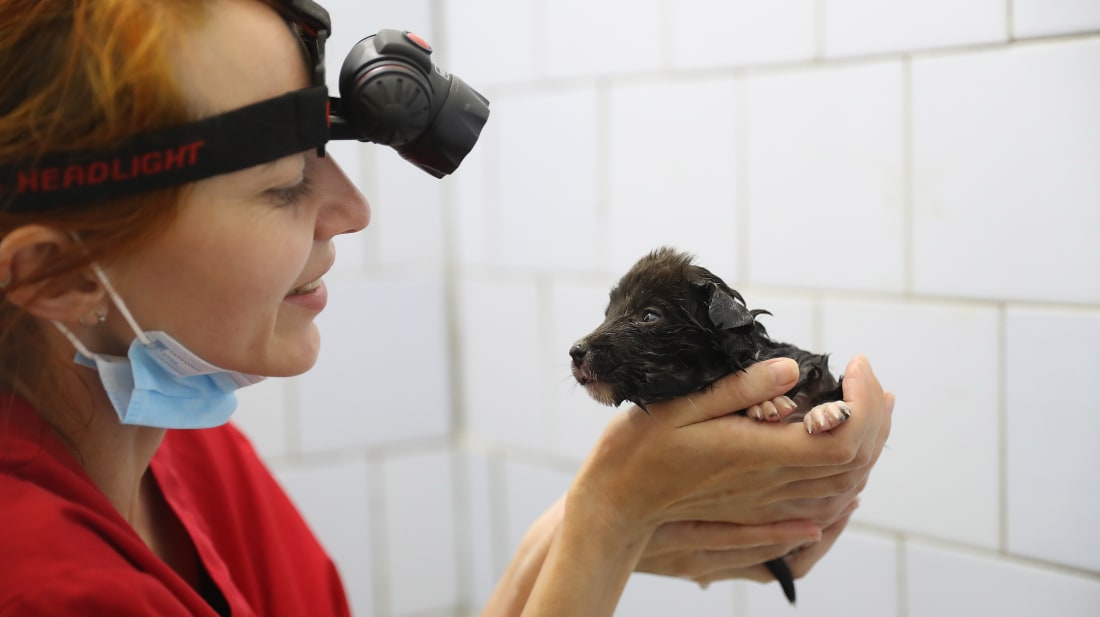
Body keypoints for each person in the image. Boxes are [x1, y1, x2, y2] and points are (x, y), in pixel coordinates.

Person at [0, 1, 894, 615]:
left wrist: (615, 511)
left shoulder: (192, 461)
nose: (352, 209)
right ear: (56, 273)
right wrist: (613, 516)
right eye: (282, 187)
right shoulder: (42, 583)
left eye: (328, 150)